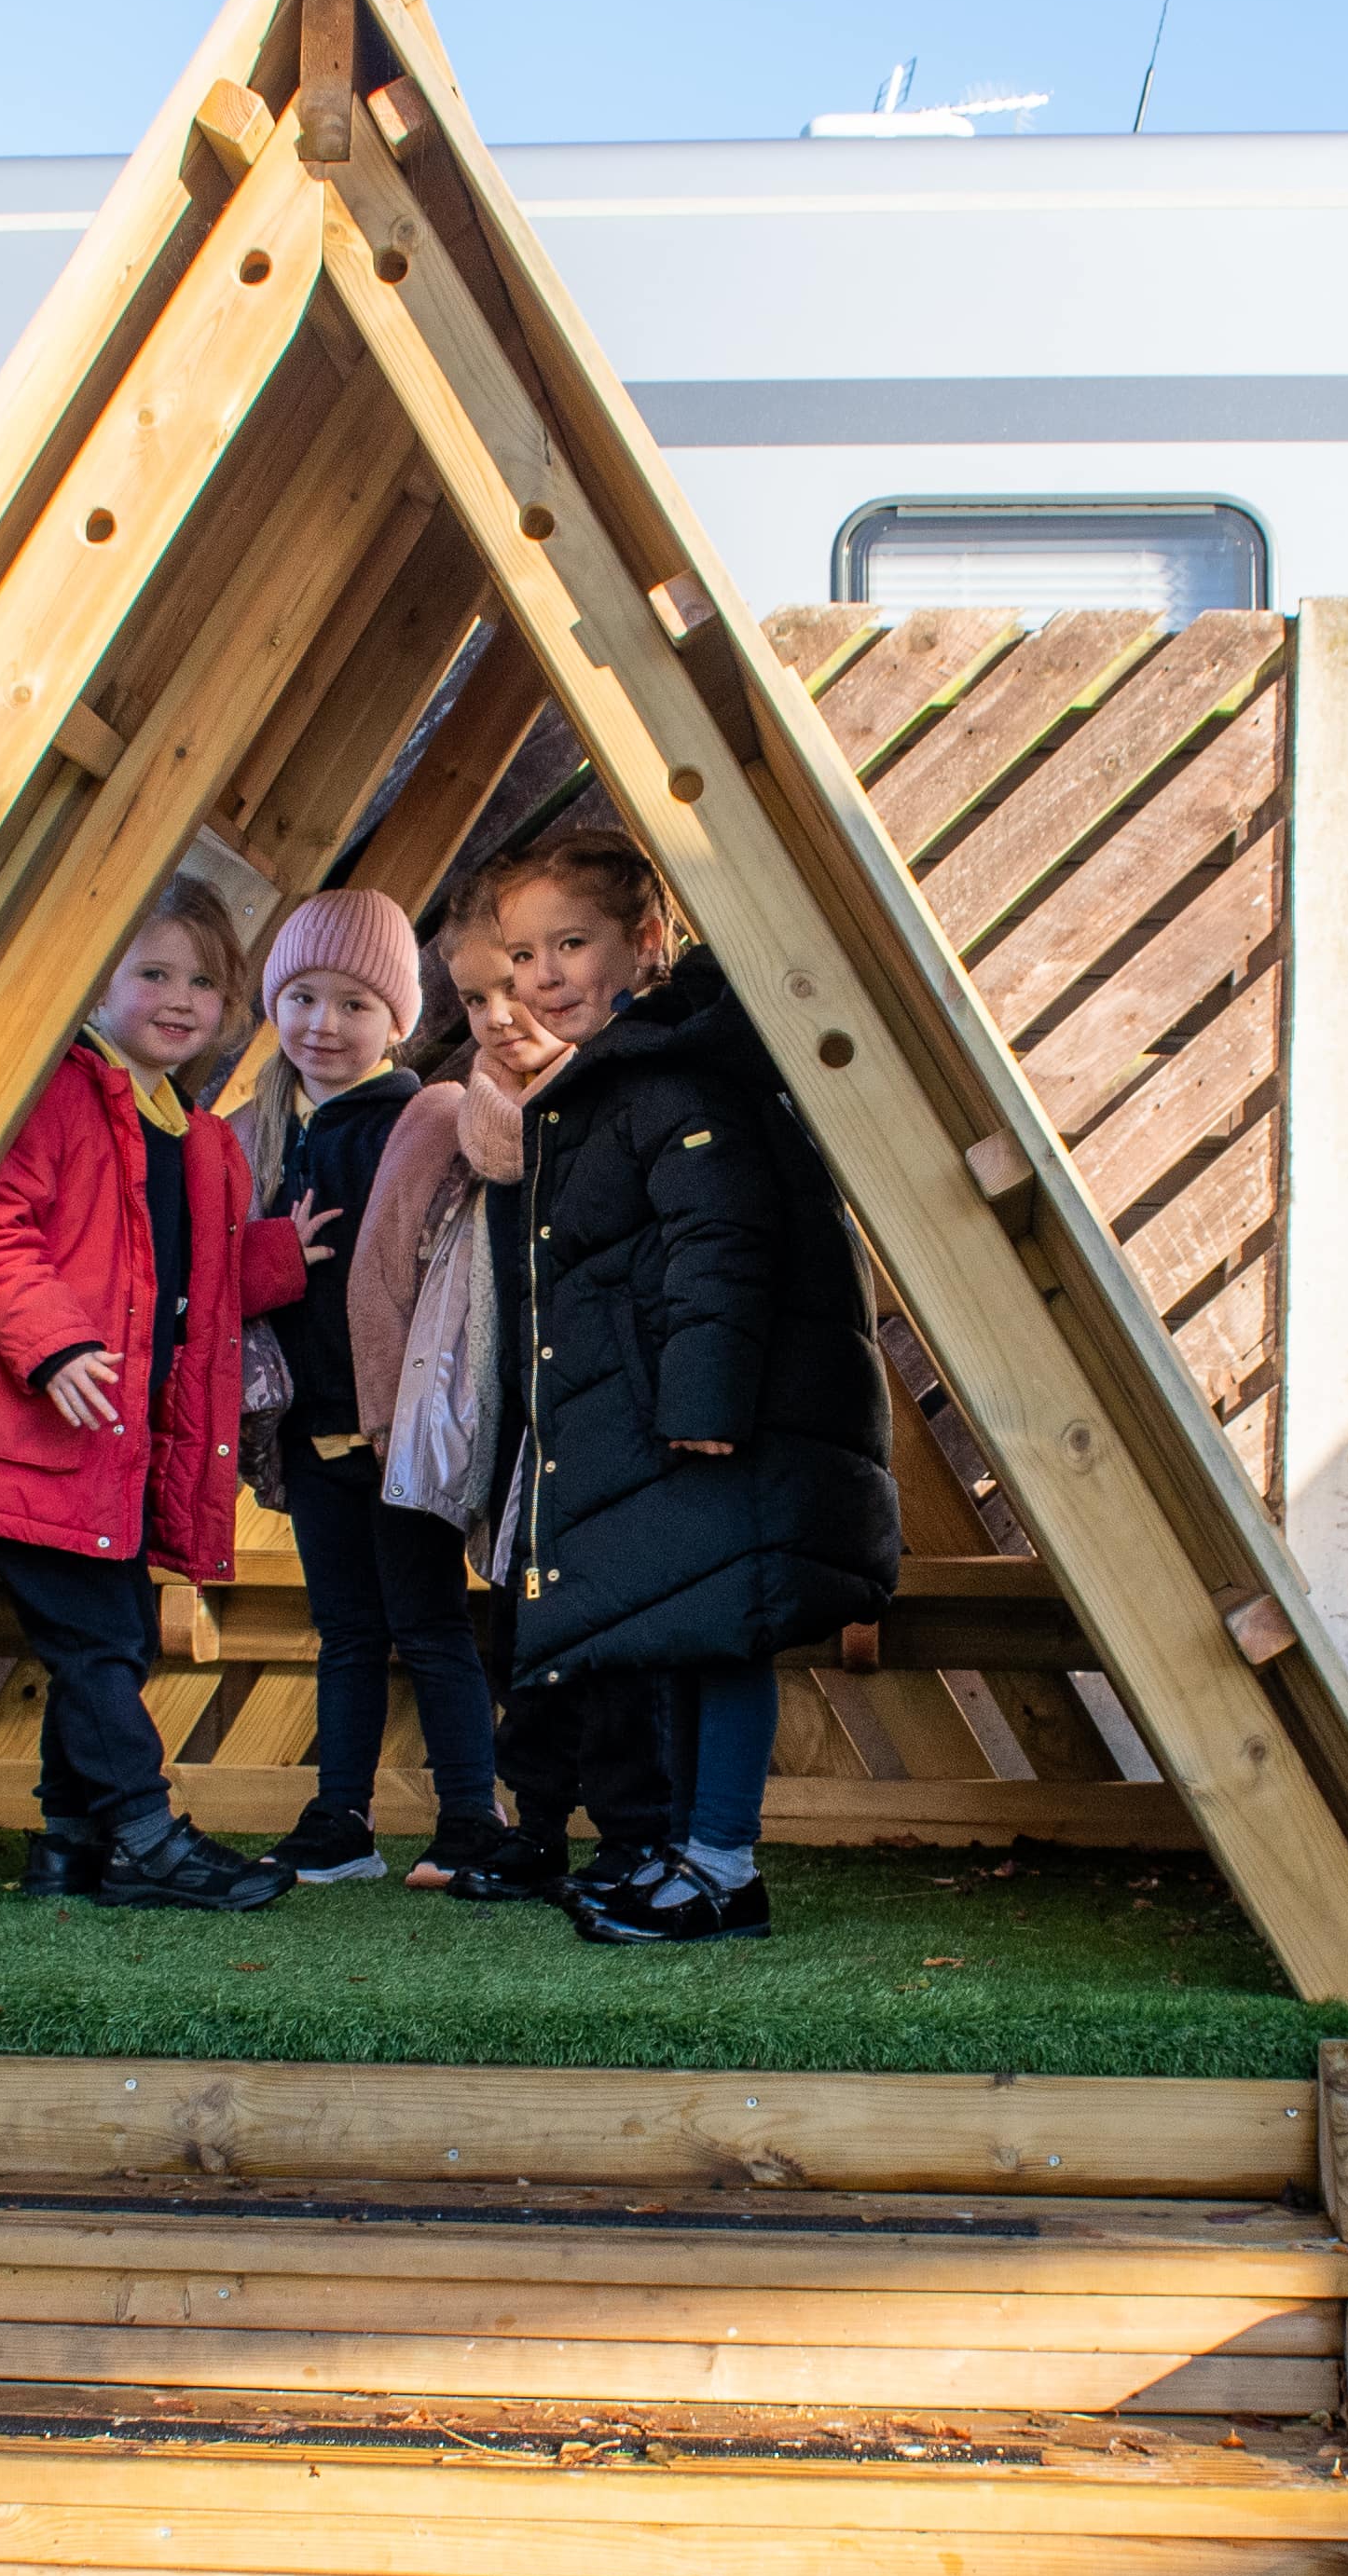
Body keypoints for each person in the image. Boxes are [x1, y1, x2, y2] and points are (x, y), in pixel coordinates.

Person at [0, 880, 315, 1914]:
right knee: (98, 1642)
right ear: (97, 985)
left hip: (107, 1440)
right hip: (24, 1429)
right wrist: (54, 1342)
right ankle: (150, 1840)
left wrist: (283, 1257)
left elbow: (183, 1282)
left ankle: (71, 1846)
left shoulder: (197, 1137)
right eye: (152, 972)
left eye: (203, 980)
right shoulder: (58, 1092)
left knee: (103, 1638)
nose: (180, 997)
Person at [484, 827, 899, 1944]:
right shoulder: (623, 1077)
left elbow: (723, 1239)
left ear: (647, 940)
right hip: (663, 1414)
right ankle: (682, 1851)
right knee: (682, 1632)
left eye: (570, 944)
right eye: (522, 957)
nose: (543, 976)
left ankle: (721, 1865)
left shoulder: (674, 1073)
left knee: (724, 1638)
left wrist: (705, 1401)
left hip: (717, 1422)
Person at [346, 916, 662, 1898]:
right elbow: (386, 1270)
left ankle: (633, 1840)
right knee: (521, 1635)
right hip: (512, 1418)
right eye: (474, 999)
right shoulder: (458, 1120)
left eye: (514, 988)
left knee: (609, 1637)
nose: (494, 1017)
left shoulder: (621, 1105)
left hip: (608, 1412)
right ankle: (533, 1831)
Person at [235, 890, 499, 1884]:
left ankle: (471, 1814)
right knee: (345, 1631)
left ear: (398, 1018)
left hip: (398, 1432)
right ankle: (339, 1817)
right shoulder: (265, 1132)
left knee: (431, 1626)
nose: (324, 1024)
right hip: (309, 1436)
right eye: (302, 997)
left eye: (354, 1003)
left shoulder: (426, 1119)